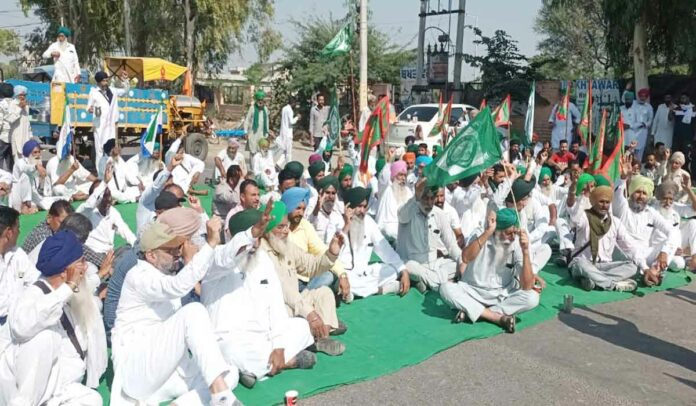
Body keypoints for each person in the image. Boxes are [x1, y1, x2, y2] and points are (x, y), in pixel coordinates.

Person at [110, 218, 241, 405]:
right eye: (170, 250)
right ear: (151, 256)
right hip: (137, 372)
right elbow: (178, 286)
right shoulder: (139, 275)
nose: (177, 254)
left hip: (166, 373)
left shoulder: (165, 276)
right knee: (193, 311)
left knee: (228, 372)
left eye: (177, 248)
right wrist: (211, 243)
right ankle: (222, 398)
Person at [202, 207, 315, 388]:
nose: (255, 243)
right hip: (230, 339)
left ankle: (253, 369)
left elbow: (276, 305)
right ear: (232, 236)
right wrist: (246, 239)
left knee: (301, 326)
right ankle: (288, 362)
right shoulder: (216, 260)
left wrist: (278, 345)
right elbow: (225, 257)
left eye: (259, 237)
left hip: (264, 336)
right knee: (231, 352)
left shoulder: (263, 260)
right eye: (250, 237)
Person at [0, 231, 106, 405]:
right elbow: (21, 327)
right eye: (81, 263)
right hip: (28, 394)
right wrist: (69, 287)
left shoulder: (66, 291)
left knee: (93, 400)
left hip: (59, 387)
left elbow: (86, 289)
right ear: (66, 273)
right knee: (43, 338)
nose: (86, 267)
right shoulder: (34, 295)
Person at [259, 201, 347, 355]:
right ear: (267, 229)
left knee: (324, 293)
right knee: (287, 314)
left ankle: (321, 339)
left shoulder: (286, 245)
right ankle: (309, 338)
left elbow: (310, 265)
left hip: (296, 301)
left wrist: (332, 253)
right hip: (277, 306)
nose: (286, 231)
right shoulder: (261, 253)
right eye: (280, 227)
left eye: (286, 226)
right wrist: (310, 314)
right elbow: (285, 292)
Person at [439, 208, 540, 333]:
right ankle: (497, 318)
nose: (512, 237)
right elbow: (465, 258)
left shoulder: (516, 243)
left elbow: (527, 286)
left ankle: (474, 310)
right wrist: (487, 233)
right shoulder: (480, 234)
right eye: (508, 233)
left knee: (532, 298)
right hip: (472, 291)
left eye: (515, 232)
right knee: (445, 289)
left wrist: (525, 251)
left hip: (502, 295)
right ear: (496, 231)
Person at [568, 186, 656, 291]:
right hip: (584, 263)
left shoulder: (615, 223)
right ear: (594, 202)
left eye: (607, 202)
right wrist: (581, 196)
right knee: (580, 264)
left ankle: (594, 281)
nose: (604, 206)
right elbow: (574, 217)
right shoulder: (584, 217)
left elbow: (630, 247)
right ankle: (613, 285)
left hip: (604, 266)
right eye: (601, 202)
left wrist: (645, 268)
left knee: (632, 267)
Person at [339, 187, 410, 297]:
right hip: (346, 274)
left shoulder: (368, 222)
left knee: (393, 270)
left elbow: (385, 248)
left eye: (364, 206)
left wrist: (403, 270)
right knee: (343, 282)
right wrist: (346, 226)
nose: (362, 211)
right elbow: (334, 256)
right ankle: (380, 290)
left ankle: (355, 293)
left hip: (365, 274)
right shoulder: (338, 223)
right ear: (349, 207)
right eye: (359, 206)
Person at [614, 164, 679, 278]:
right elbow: (618, 194)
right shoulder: (623, 207)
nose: (641, 196)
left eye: (644, 194)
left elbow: (672, 231)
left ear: (648, 197)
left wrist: (664, 252)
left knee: (675, 234)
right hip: (624, 253)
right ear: (631, 192)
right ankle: (645, 272)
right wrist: (623, 178)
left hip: (645, 254)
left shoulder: (651, 212)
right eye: (638, 192)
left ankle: (655, 272)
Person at [397, 178, 462, 293]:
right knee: (410, 268)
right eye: (425, 198)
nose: (429, 202)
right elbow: (402, 215)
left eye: (432, 198)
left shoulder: (439, 214)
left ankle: (425, 283)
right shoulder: (407, 211)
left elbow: (451, 246)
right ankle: (443, 286)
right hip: (411, 263)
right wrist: (416, 194)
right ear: (418, 198)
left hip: (434, 264)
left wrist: (462, 262)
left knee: (457, 265)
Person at [282, 187, 348, 295]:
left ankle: (304, 299)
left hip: (305, 280)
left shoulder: (305, 225)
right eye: (298, 208)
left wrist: (342, 274)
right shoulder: (276, 229)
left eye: (303, 209)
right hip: (284, 281)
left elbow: (321, 250)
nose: (301, 213)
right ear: (288, 206)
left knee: (329, 275)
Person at [0, 206, 41, 353]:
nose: (20, 232)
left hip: (19, 318)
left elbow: (33, 279)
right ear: (9, 233)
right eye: (18, 227)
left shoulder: (17, 254)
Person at [77, 169, 136, 260]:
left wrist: (138, 248)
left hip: (109, 254)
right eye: (104, 196)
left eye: (109, 195)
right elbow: (90, 204)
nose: (108, 199)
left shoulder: (113, 211)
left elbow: (125, 231)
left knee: (130, 250)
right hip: (91, 255)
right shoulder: (86, 211)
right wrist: (104, 183)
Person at [10, 140, 62, 214]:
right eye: (35, 152)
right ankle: (25, 206)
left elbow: (36, 187)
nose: (38, 155)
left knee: (58, 201)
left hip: (32, 196)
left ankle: (32, 206)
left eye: (39, 152)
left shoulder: (37, 163)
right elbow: (26, 168)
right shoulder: (20, 162)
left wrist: (42, 176)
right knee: (25, 176)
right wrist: (36, 167)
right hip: (18, 198)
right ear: (28, 153)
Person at [135, 154, 182, 234]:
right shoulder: (147, 200)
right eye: (168, 183)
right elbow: (156, 186)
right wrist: (170, 167)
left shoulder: (169, 202)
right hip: (144, 244)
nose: (171, 185)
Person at [87, 71, 128, 159]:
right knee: (100, 150)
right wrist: (95, 110)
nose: (106, 83)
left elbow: (125, 91)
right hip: (99, 125)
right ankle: (100, 171)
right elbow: (89, 108)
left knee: (111, 148)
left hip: (112, 125)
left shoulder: (113, 91)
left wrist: (124, 81)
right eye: (103, 81)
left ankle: (110, 170)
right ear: (98, 82)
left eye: (106, 80)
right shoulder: (93, 92)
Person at [98, 139, 143, 203]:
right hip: (111, 190)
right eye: (117, 146)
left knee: (137, 190)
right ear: (112, 149)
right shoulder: (104, 161)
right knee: (113, 194)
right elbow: (105, 180)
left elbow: (128, 174)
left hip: (123, 190)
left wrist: (138, 183)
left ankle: (119, 200)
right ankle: (133, 199)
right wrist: (110, 165)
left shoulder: (119, 159)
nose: (120, 148)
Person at [7, 85, 32, 162]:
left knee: (27, 161)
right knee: (18, 162)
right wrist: (19, 108)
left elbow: (27, 122)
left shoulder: (26, 106)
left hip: (26, 137)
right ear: (16, 95)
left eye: (24, 95)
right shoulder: (12, 104)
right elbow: (10, 119)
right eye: (21, 95)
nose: (23, 97)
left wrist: (30, 136)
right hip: (17, 138)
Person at [244, 90, 272, 157]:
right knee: (253, 151)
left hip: (262, 133)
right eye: (259, 100)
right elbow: (247, 120)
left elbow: (267, 121)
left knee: (262, 151)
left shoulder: (265, 109)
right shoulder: (252, 108)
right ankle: (252, 167)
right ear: (256, 100)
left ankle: (260, 166)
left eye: (262, 100)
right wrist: (245, 132)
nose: (260, 101)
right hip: (253, 133)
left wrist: (267, 132)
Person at [279, 99, 300, 165]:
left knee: (285, 151)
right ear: (293, 103)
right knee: (288, 152)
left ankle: (278, 164)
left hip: (283, 132)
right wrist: (297, 117)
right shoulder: (290, 110)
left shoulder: (284, 108)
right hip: (288, 134)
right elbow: (291, 122)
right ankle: (289, 165)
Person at [0, 83, 15, 171]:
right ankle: (12, 178)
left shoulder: (1, 104)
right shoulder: (15, 103)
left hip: (3, 136)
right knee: (11, 159)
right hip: (14, 136)